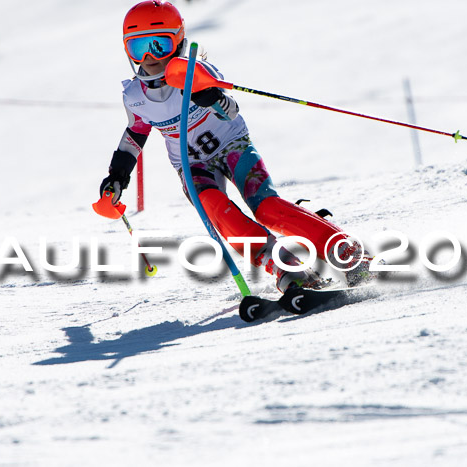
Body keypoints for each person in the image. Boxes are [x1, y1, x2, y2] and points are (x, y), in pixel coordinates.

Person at [100, 0, 373, 292]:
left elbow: (230, 109)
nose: (149, 58)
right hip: (192, 166)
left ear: (178, 42)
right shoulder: (135, 96)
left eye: (159, 46)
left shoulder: (197, 72)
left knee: (267, 209)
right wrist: (117, 176)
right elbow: (134, 135)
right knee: (218, 212)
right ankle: (283, 265)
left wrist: (211, 96)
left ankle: (346, 252)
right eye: (138, 48)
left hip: (233, 148)